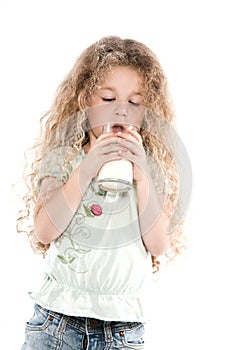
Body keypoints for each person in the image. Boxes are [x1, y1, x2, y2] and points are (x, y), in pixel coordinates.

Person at [17, 36, 187, 349]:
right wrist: (88, 167)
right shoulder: (64, 156)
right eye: (108, 99)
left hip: (121, 329)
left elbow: (159, 243)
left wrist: (142, 175)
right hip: (58, 320)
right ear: (84, 102)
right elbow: (44, 230)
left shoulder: (151, 167)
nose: (120, 111)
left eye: (134, 103)